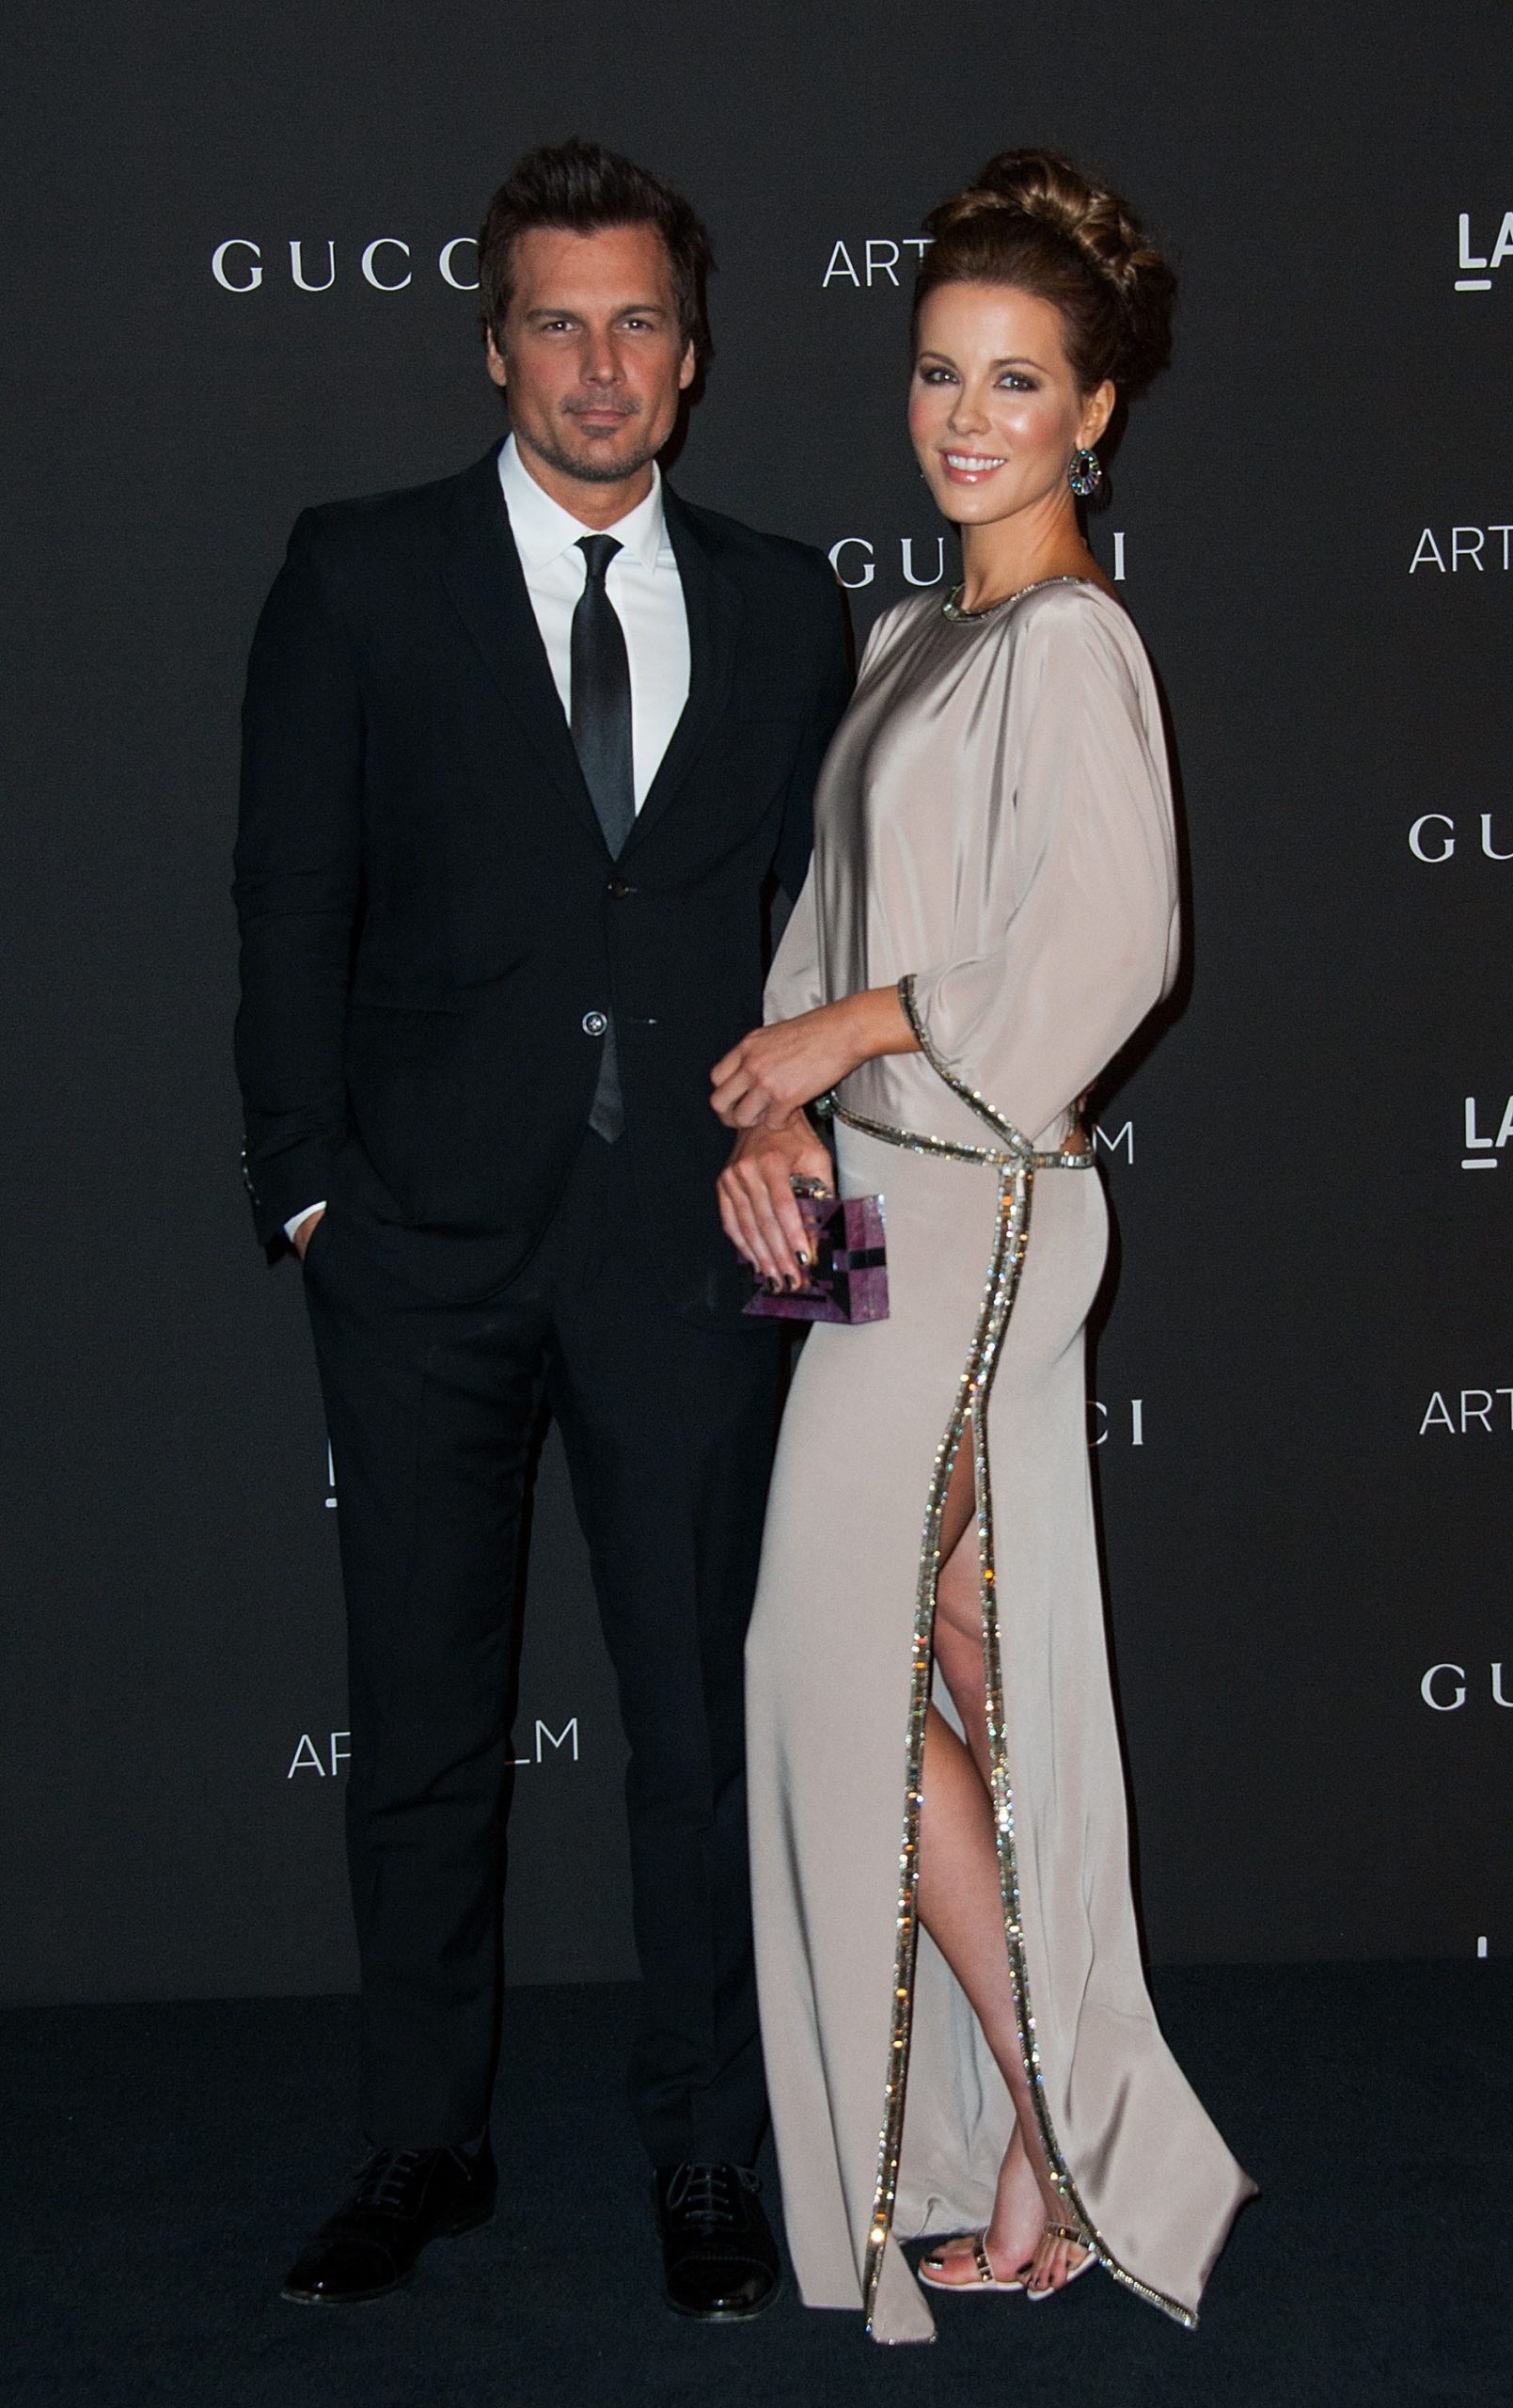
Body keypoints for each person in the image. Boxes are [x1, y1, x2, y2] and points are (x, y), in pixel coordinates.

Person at [233, 136, 849, 2319]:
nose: (601, 365)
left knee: (696, 1726)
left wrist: (826, 1191)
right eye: (559, 323)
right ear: (495, 347)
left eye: (639, 323)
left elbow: (823, 926)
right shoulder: (359, 574)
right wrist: (311, 1193)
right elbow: (287, 899)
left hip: (698, 1245)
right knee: (421, 1718)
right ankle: (425, 2135)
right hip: (420, 1248)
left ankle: (708, 2149)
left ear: (694, 356)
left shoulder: (788, 604)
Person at [711, 149, 1254, 2344]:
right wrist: (772, 1112)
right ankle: (1046, 2137)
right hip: (871, 1199)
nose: (968, 416)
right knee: (958, 1667)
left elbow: (1105, 955)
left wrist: (850, 1029)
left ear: (1095, 409)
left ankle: (1066, 2121)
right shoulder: (907, 634)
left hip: (988, 1210)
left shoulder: (1074, 642)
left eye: (1018, 379)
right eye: (942, 370)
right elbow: (820, 940)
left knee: (821, 1664)